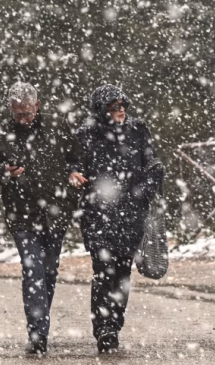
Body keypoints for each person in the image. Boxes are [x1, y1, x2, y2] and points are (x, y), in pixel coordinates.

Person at [0, 82, 79, 355]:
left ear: (37, 106)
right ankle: (38, 335)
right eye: (17, 114)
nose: (23, 120)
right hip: (21, 216)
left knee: (48, 273)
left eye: (27, 113)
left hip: (56, 213)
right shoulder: (1, 135)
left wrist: (73, 174)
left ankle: (39, 326)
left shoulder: (58, 128)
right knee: (32, 271)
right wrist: (4, 171)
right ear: (10, 110)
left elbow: (76, 159)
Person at [68, 84, 165, 353]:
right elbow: (72, 164)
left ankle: (115, 324)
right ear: (101, 110)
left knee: (122, 273)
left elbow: (152, 162)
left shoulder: (138, 129)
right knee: (103, 271)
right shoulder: (87, 134)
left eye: (123, 105)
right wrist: (74, 175)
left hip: (131, 214)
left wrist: (144, 191)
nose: (121, 111)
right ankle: (104, 328)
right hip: (98, 214)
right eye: (114, 106)